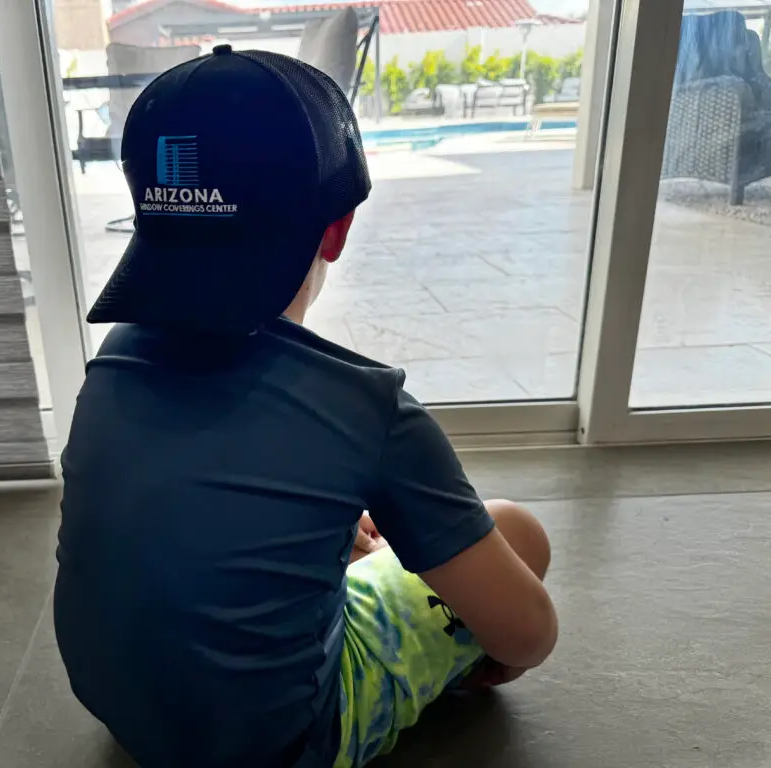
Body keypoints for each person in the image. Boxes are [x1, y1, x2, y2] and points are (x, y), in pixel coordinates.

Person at [54, 46, 558, 768]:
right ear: (337, 228)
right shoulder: (363, 406)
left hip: (123, 709)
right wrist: (494, 644)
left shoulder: (112, 362)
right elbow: (529, 636)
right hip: (280, 746)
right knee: (518, 530)